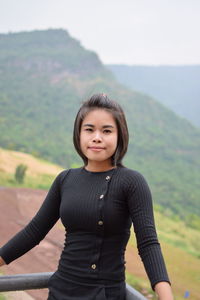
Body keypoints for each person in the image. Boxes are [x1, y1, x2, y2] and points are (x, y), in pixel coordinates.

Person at [0, 93, 173, 299]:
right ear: (79, 134)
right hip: (60, 290)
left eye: (107, 131)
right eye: (89, 129)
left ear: (120, 136)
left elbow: (148, 244)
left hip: (104, 294)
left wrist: (166, 297)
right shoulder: (66, 179)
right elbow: (34, 232)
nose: (97, 137)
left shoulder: (131, 182)